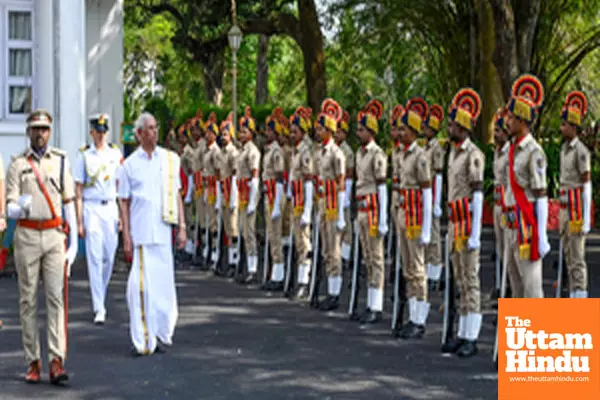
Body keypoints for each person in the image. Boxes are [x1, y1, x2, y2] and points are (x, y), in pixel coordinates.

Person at [5, 109, 78, 384]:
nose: (40, 133)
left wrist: (73, 245)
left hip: (53, 235)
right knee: (27, 301)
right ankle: (33, 361)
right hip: (26, 235)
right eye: (35, 128)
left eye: (44, 129)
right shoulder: (17, 164)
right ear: (28, 132)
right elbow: (10, 205)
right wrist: (17, 206)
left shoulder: (60, 161)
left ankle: (56, 360)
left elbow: (69, 200)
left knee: (55, 299)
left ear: (50, 131)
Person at [118, 112, 186, 356]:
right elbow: (123, 202)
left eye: (155, 128)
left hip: (163, 230)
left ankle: (159, 333)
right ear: (139, 134)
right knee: (139, 289)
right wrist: (126, 235)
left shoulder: (169, 160)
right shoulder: (128, 165)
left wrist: (183, 227)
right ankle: (143, 339)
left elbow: (176, 193)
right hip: (142, 233)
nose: (154, 132)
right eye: (148, 128)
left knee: (163, 289)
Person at [442, 88, 485, 358]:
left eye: (452, 123)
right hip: (455, 224)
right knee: (459, 279)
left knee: (470, 280)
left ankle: (472, 335)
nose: (449, 127)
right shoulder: (453, 153)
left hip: (468, 223)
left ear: (463, 126)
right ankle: (462, 332)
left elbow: (478, 194)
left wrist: (476, 233)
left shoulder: (474, 155)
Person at [74, 114, 123, 325]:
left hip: (110, 206)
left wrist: (122, 215)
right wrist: (78, 221)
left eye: (104, 132)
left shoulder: (115, 154)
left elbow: (122, 187)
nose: (101, 135)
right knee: (94, 258)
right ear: (92, 132)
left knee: (109, 256)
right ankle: (99, 307)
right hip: (92, 207)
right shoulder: (84, 156)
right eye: (98, 131)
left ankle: (100, 294)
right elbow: (77, 190)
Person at [504, 74, 550, 300]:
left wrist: (541, 235)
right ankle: (520, 335)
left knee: (532, 289)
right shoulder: (512, 149)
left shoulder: (534, 152)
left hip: (527, 226)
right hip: (511, 224)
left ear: (522, 121)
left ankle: (537, 333)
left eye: (512, 118)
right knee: (516, 286)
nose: (508, 122)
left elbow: (541, 195)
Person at [395, 99, 433, 339]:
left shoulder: (420, 157)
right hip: (403, 213)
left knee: (418, 268)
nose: (399, 133)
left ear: (413, 131)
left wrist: (427, 228)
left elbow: (427, 192)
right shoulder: (401, 154)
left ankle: (420, 319)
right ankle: (412, 314)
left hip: (416, 216)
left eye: (403, 129)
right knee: (408, 268)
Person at [353, 99, 387, 325]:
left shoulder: (377, 154)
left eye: (362, 129)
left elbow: (382, 187)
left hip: (374, 209)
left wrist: (383, 218)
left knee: (376, 259)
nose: (358, 133)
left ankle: (377, 305)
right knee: (367, 258)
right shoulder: (360, 153)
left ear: (371, 132)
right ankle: (370, 302)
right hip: (362, 208)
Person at [559, 91, 592, 298]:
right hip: (564, 208)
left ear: (573, 126)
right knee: (568, 255)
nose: (561, 128)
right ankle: (573, 294)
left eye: (564, 124)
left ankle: (580, 299)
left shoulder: (581, 151)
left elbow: (586, 184)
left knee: (577, 257)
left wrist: (586, 218)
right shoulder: (564, 149)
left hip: (576, 209)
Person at [314, 99, 346, 311]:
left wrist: (342, 216)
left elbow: (341, 184)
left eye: (321, 128)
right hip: (324, 205)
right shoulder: (320, 152)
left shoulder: (337, 154)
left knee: (334, 251)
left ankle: (335, 293)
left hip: (335, 206)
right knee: (326, 250)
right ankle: (329, 289)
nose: (317, 131)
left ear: (330, 130)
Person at [287, 106, 315, 300]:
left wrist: (307, 210)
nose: (291, 133)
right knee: (298, 242)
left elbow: (308, 182)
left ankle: (304, 282)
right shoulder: (295, 151)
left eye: (294, 130)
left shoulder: (305, 152)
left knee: (304, 243)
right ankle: (298, 278)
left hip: (302, 201)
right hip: (295, 200)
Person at [261, 108, 287, 291]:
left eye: (270, 130)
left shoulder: (277, 152)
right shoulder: (269, 150)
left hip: (274, 195)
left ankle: (279, 275)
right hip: (267, 194)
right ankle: (275, 272)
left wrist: (277, 203)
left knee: (276, 236)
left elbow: (279, 178)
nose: (267, 133)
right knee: (271, 235)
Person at [236, 107, 261, 283]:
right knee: (244, 231)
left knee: (250, 232)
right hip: (241, 193)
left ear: (251, 134)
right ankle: (245, 266)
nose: (241, 134)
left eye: (245, 131)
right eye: (240, 131)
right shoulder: (242, 149)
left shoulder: (253, 151)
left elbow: (255, 176)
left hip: (249, 192)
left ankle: (253, 268)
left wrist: (253, 200)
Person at [422, 104, 446, 284]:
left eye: (427, 127)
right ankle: (428, 269)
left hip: (432, 193)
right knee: (426, 234)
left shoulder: (437, 148)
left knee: (434, 235)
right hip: (424, 194)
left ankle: (436, 272)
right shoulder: (424, 148)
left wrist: (437, 202)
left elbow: (438, 175)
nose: (424, 129)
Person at [217, 114, 240, 277]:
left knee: (233, 229)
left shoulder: (233, 153)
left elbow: (234, 174)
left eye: (225, 134)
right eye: (222, 134)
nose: (222, 137)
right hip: (223, 191)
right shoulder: (221, 152)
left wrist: (233, 196)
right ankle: (228, 261)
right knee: (226, 227)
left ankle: (235, 262)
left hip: (233, 192)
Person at [492, 108, 511, 298]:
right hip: (498, 203)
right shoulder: (497, 153)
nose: (495, 135)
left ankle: (508, 288)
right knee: (500, 248)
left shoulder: (510, 153)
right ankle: (501, 284)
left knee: (508, 250)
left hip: (507, 204)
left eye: (498, 131)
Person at [201, 113, 223, 271]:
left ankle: (216, 255)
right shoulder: (206, 150)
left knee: (215, 223)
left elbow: (218, 173)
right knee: (208, 221)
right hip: (207, 188)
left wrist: (218, 196)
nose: (207, 135)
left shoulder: (216, 151)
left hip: (214, 189)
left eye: (210, 132)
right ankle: (208, 252)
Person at [335, 111, 355, 270]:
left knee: (346, 225)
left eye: (340, 132)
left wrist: (347, 195)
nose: (336, 134)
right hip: (335, 192)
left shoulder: (347, 151)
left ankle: (346, 255)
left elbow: (349, 175)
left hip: (344, 191)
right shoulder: (334, 149)